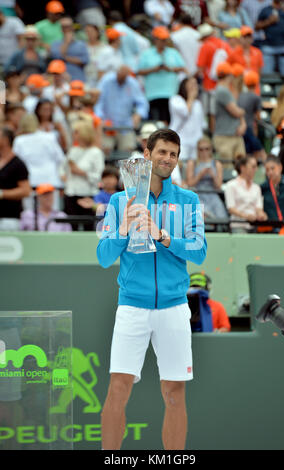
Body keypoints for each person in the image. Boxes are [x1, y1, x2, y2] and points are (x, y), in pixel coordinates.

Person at [97, 128, 207, 450]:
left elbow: (199, 251)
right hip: (132, 306)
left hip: (173, 307)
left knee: (174, 393)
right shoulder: (121, 200)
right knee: (118, 388)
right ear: (147, 155)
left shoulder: (189, 201)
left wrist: (163, 236)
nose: (168, 159)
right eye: (162, 152)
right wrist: (123, 228)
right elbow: (104, 258)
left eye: (173, 154)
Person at [60, 120, 105, 231]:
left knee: (88, 226)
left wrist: (82, 173)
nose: (74, 135)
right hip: (71, 194)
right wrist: (64, 177)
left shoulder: (96, 153)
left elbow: (99, 176)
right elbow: (62, 168)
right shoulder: (73, 151)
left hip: (88, 194)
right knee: (71, 226)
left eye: (77, 132)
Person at [95, 65, 149, 154]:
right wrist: (99, 118)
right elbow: (98, 102)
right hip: (108, 125)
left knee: (128, 151)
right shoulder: (106, 81)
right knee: (105, 150)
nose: (122, 78)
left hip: (126, 125)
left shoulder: (132, 83)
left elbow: (143, 103)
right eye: (121, 76)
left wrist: (138, 115)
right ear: (117, 73)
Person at [138, 25, 186, 123]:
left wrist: (169, 69)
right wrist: (154, 69)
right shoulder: (146, 54)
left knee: (170, 121)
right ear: (155, 40)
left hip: (171, 92)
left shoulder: (173, 52)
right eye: (161, 40)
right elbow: (139, 71)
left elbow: (182, 68)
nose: (164, 42)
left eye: (165, 39)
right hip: (153, 94)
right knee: (156, 122)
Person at [13, 113, 65, 192]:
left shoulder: (19, 140)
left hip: (31, 179)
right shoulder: (49, 137)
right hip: (49, 178)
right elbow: (60, 157)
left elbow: (15, 161)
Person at [196, 23, 231, 132]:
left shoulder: (205, 46)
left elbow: (200, 68)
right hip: (225, 84)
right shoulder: (224, 44)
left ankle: (213, 134)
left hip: (209, 85)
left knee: (212, 112)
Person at [212, 62, 246, 168]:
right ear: (229, 75)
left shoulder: (225, 90)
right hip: (224, 137)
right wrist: (243, 111)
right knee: (228, 169)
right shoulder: (222, 91)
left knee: (242, 167)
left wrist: (242, 124)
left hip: (233, 135)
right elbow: (236, 112)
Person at [186, 136, 228, 219]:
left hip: (212, 195)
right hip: (197, 195)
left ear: (211, 149)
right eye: (201, 149)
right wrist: (200, 175)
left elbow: (218, 186)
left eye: (207, 149)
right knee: (200, 218)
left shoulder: (217, 164)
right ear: (197, 150)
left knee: (221, 217)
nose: (204, 152)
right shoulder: (192, 163)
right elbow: (190, 183)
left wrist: (213, 175)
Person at [224, 154, 267, 232]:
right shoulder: (231, 185)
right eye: (253, 167)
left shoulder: (256, 187)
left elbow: (258, 208)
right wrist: (246, 216)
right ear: (243, 168)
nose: (256, 169)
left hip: (255, 225)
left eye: (256, 167)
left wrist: (261, 214)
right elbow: (231, 208)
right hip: (238, 225)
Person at [0, 127, 31, 231]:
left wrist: (2, 194)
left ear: (5, 140)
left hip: (9, 218)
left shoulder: (18, 164)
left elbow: (26, 191)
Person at [169, 77, 205, 163]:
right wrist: (191, 98)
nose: (194, 86)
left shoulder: (198, 103)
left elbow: (202, 124)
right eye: (191, 84)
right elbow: (185, 112)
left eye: (196, 84)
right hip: (181, 141)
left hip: (196, 143)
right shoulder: (175, 99)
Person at [256, 0, 284, 75]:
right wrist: (268, 21)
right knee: (267, 76)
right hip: (268, 46)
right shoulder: (266, 9)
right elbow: (256, 26)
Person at [238, 70, 266, 162]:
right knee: (260, 149)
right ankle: (264, 167)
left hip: (240, 127)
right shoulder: (256, 97)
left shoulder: (240, 95)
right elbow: (258, 116)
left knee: (248, 151)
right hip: (248, 128)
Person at [50, 16, 89, 81]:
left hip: (79, 79)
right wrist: (67, 43)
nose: (67, 29)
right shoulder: (55, 44)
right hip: (61, 82)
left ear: (73, 27)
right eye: (64, 27)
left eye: (68, 26)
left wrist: (65, 57)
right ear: (61, 29)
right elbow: (57, 57)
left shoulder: (81, 44)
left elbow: (85, 60)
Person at [227, 25, 264, 95]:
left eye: (249, 36)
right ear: (240, 38)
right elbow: (229, 71)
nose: (247, 39)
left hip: (253, 86)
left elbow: (259, 71)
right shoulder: (234, 53)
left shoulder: (258, 52)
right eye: (245, 36)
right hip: (239, 86)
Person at [83, 23, 105, 88]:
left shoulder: (104, 47)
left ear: (97, 32)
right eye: (87, 31)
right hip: (86, 77)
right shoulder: (83, 47)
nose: (90, 34)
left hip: (100, 77)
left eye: (92, 31)